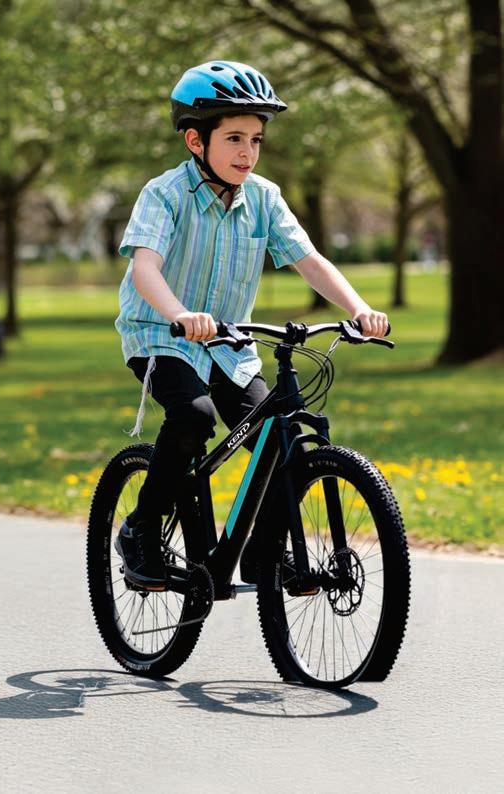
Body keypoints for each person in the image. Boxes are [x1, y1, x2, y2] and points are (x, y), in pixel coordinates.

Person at [114, 60, 388, 591]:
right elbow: (145, 268)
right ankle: (141, 529)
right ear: (196, 141)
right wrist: (179, 314)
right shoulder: (164, 194)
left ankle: (264, 554)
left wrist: (359, 308)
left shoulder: (263, 197)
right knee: (193, 416)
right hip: (161, 335)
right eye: (234, 138)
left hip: (230, 346)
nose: (248, 152)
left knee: (280, 440)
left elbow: (310, 261)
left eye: (256, 139)